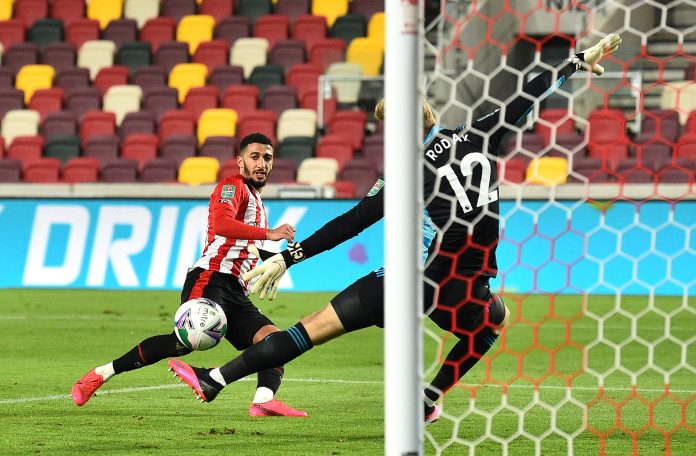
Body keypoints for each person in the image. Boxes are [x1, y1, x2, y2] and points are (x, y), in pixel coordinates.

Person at [167, 35, 622, 421]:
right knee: (490, 325)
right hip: (466, 282)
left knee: (310, 329)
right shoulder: (477, 133)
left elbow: (353, 222)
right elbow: (525, 98)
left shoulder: (406, 170)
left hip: (412, 281)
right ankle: (428, 398)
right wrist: (575, 62)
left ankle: (214, 379)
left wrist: (288, 256)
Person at [71, 132, 308, 417]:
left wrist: (280, 262)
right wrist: (268, 234)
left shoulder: (258, 202)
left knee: (275, 341)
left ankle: (263, 400)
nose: (261, 163)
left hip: (237, 290)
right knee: (183, 343)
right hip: (210, 278)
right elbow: (222, 223)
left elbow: (246, 249)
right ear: (240, 161)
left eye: (267, 158)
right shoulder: (232, 186)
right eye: (254, 156)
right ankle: (99, 374)